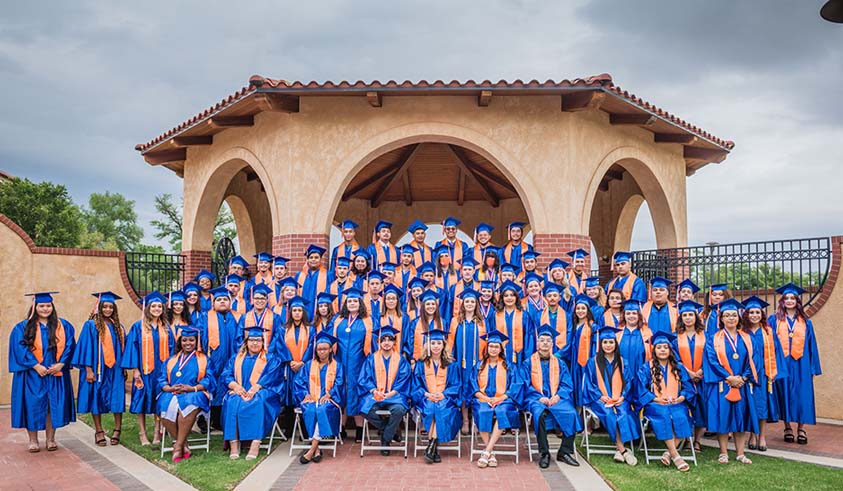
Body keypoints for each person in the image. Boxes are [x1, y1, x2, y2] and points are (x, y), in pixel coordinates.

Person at [9, 292, 77, 453]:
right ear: (35, 307)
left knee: (51, 406)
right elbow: (19, 348)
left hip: (55, 373)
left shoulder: (63, 326)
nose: (45, 309)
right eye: (42, 306)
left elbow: (70, 345)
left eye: (48, 305)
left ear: (52, 307)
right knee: (32, 405)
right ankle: (33, 440)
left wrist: (61, 364)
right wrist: (35, 365)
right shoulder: (22, 327)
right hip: (32, 374)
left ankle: (50, 439)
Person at [703, 298, 757, 465]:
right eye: (727, 315)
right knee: (723, 418)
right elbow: (711, 360)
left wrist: (743, 378)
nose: (731, 318)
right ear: (722, 319)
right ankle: (724, 452)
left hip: (741, 384)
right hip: (723, 384)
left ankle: (740, 453)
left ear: (739, 317)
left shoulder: (747, 338)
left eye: (734, 315)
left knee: (740, 419)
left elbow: (754, 360)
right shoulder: (714, 338)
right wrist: (728, 377)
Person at [770, 283, 822, 446]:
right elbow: (769, 344)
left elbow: (811, 345)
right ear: (782, 301)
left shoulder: (806, 322)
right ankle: (787, 428)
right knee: (784, 394)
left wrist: (813, 367)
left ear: (798, 301)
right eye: (787, 298)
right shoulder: (774, 320)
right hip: (782, 364)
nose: (790, 301)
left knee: (802, 395)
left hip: (801, 364)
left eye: (793, 298)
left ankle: (801, 428)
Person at [522, 325, 581, 468]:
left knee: (572, 413)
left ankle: (564, 452)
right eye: (542, 340)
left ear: (552, 344)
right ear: (537, 343)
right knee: (539, 414)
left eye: (548, 340)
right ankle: (544, 453)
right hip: (536, 399)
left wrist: (558, 396)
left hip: (557, 399)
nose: (545, 343)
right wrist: (538, 397)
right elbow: (524, 384)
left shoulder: (559, 363)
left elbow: (566, 384)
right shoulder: (528, 362)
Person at [72, 291, 126, 447]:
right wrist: (88, 370)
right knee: (96, 397)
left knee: (117, 397)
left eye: (111, 307)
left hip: (115, 369)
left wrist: (124, 368)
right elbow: (85, 347)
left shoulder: (119, 327)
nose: (108, 309)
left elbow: (123, 348)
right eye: (105, 306)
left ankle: (117, 430)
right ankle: (99, 431)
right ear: (99, 307)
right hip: (98, 368)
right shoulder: (91, 325)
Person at [222, 326, 284, 460]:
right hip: (240, 390)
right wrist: (235, 386)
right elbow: (226, 374)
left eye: (258, 340)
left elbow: (273, 376)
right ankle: (234, 443)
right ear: (246, 342)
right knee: (233, 401)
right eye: (251, 340)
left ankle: (255, 443)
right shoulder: (236, 358)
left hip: (264, 390)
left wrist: (257, 387)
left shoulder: (271, 358)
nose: (255, 343)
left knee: (259, 400)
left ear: (263, 342)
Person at [637, 332, 695, 472]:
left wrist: (681, 397)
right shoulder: (646, 368)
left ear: (670, 350)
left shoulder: (679, 367)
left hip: (677, 403)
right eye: (659, 347)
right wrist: (656, 399)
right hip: (655, 404)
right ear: (654, 350)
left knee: (683, 417)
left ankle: (668, 453)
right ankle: (676, 455)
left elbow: (688, 388)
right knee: (663, 415)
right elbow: (641, 389)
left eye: (665, 347)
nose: (662, 350)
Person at [122, 291, 174, 446]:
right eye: (154, 306)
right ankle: (142, 433)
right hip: (144, 371)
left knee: (159, 401)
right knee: (142, 401)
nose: (157, 308)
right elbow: (132, 349)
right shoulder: (138, 327)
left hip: (161, 372)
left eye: (159, 306)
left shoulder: (165, 327)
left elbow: (172, 349)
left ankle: (158, 432)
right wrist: (135, 370)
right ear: (147, 308)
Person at [157, 327, 216, 463]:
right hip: (172, 392)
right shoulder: (171, 360)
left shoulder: (204, 360)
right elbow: (161, 379)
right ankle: (183, 444)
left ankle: (177, 446)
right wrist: (169, 388)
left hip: (196, 392)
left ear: (197, 341)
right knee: (164, 404)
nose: (188, 343)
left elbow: (209, 379)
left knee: (188, 404)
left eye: (191, 340)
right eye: (184, 340)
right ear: (180, 342)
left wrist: (192, 388)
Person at [583, 326, 639, 466]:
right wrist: (599, 396)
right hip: (600, 400)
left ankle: (618, 450)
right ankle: (623, 450)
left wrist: (623, 397)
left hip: (619, 398)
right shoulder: (593, 361)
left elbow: (629, 382)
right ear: (600, 344)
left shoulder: (622, 362)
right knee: (609, 414)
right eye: (605, 342)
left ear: (616, 344)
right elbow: (589, 383)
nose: (608, 345)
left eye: (611, 342)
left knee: (624, 413)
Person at [471, 331, 523, 468]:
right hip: (483, 399)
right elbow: (473, 387)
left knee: (502, 411)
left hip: (504, 400)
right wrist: (486, 398)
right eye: (491, 346)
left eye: (496, 346)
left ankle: (486, 451)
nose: (493, 349)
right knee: (482, 412)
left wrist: (500, 398)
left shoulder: (509, 366)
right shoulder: (479, 366)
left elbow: (514, 387)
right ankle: (491, 453)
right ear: (486, 348)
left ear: (501, 349)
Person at [358, 326, 412, 456]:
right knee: (364, 409)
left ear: (394, 342)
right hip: (376, 394)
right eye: (383, 340)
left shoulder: (401, 360)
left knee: (399, 410)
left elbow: (404, 379)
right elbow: (364, 378)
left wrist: (392, 393)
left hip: (395, 396)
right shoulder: (371, 359)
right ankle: (390, 430)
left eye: (390, 339)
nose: (387, 342)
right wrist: (374, 391)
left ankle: (385, 439)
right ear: (378, 342)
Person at [330, 288, 375, 442]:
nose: (352, 303)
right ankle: (340, 429)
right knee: (341, 391)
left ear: (360, 303)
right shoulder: (338, 320)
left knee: (356, 392)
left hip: (359, 363)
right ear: (346, 303)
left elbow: (372, 344)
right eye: (349, 301)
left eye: (355, 301)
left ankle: (359, 430)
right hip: (340, 362)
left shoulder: (367, 321)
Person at [293, 331, 345, 464]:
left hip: (329, 400)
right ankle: (316, 450)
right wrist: (305, 394)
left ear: (330, 350)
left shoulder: (337, 366)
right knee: (311, 410)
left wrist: (330, 394)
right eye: (319, 349)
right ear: (315, 350)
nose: (322, 352)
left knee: (322, 410)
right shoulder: (309, 365)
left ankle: (311, 450)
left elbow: (340, 383)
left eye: (325, 349)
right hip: (311, 399)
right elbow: (299, 382)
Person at [743, 295, 786, 452]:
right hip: (747, 375)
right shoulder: (742, 332)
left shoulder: (768, 332)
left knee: (762, 406)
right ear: (746, 314)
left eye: (757, 312)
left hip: (764, 374)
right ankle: (752, 435)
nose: (754, 315)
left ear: (762, 315)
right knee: (750, 406)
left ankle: (761, 436)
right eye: (751, 312)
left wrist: (774, 372)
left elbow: (777, 353)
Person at [412, 329, 461, 463]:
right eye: (433, 343)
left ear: (443, 345)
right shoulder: (421, 364)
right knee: (431, 408)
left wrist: (444, 394)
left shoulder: (451, 364)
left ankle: (431, 446)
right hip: (425, 398)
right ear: (428, 345)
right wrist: (426, 394)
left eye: (439, 343)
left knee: (440, 408)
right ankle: (434, 448)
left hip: (445, 399)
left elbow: (456, 385)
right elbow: (415, 385)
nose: (436, 346)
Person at [197, 285, 238, 432]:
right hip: (212, 359)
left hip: (232, 359)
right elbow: (198, 339)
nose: (222, 301)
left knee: (228, 384)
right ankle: (207, 419)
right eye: (219, 299)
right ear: (213, 303)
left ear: (230, 302)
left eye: (225, 299)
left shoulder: (238, 317)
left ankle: (222, 420)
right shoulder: (205, 317)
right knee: (212, 385)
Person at [449, 288, 487, 435]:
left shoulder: (482, 322)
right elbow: (450, 342)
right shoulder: (456, 321)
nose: (469, 304)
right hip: (461, 364)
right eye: (467, 301)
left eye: (472, 301)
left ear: (476, 304)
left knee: (477, 391)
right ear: (462, 304)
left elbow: (487, 342)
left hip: (478, 364)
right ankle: (465, 420)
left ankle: (476, 421)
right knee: (464, 391)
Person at [675, 300, 707, 452]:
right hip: (684, 379)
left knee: (702, 408)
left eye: (691, 315)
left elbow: (710, 357)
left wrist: (701, 371)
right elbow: (675, 359)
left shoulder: (706, 336)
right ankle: (688, 440)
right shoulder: (676, 338)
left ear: (696, 317)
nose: (688, 318)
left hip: (703, 378)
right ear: (681, 318)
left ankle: (698, 441)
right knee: (686, 408)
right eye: (685, 315)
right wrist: (688, 372)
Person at [491, 280, 530, 364]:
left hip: (519, 355)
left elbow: (528, 337)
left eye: (512, 295)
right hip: (500, 355)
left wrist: (527, 357)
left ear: (516, 297)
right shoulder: (495, 315)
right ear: (502, 298)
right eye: (506, 296)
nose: (509, 298)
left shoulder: (524, 315)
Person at [569, 294, 597, 407]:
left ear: (588, 310)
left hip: (587, 361)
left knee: (586, 384)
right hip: (575, 361)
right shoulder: (574, 326)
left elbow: (595, 347)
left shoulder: (593, 327)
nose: (580, 311)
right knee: (577, 385)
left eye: (583, 308)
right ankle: (579, 411)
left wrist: (592, 362)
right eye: (578, 308)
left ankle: (589, 417)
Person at [533, 282, 571, 362]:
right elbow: (535, 336)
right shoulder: (539, 315)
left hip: (562, 356)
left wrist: (559, 354)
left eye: (555, 295)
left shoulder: (567, 316)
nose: (552, 298)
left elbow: (569, 336)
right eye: (549, 296)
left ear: (559, 298)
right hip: (543, 355)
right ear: (545, 298)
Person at [407, 290, 447, 362]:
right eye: (428, 304)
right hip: (419, 362)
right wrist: (412, 359)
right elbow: (410, 342)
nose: (431, 306)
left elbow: (445, 341)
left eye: (433, 304)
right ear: (423, 306)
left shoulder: (443, 322)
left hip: (438, 361)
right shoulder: (415, 323)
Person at [616, 299, 650, 379]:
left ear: (639, 315)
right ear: (624, 315)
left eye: (634, 313)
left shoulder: (647, 333)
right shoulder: (618, 334)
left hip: (641, 375)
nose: (631, 316)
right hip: (621, 375)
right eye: (628, 313)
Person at [296, 244, 329, 319]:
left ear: (320, 259)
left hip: (319, 314)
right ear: (307, 260)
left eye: (316, 257)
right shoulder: (299, 275)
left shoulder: (328, 275)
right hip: (302, 314)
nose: (313, 259)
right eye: (311, 257)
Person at [380, 284, 408, 352]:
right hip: (382, 354)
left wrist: (404, 352)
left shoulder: (404, 317)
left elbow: (407, 337)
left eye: (393, 298)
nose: (391, 301)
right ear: (385, 301)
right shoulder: (378, 317)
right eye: (388, 298)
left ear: (397, 301)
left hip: (400, 353)